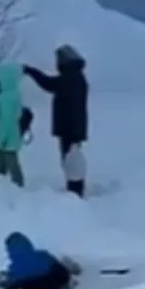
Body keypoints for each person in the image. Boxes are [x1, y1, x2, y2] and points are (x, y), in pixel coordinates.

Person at [23, 45, 89, 197]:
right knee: (71, 159)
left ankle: (75, 191)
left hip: (70, 128)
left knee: (70, 160)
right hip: (74, 128)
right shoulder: (76, 77)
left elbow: (48, 84)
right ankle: (74, 189)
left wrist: (30, 71)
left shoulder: (70, 78)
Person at [0, 231, 77, 289]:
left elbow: (9, 287)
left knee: (15, 288)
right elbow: (62, 273)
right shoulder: (43, 256)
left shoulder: (14, 268)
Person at [0, 60, 29, 185]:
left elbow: (7, 121)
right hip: (8, 138)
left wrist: (2, 138)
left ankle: (15, 187)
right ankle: (6, 187)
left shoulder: (6, 99)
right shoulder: (12, 95)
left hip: (6, 139)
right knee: (7, 163)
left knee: (8, 164)